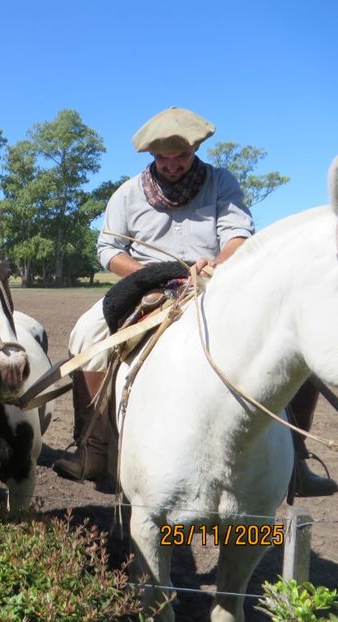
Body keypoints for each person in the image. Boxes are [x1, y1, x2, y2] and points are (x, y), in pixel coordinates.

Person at [52, 106, 337, 498]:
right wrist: (143, 272)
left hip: (215, 284)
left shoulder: (221, 183)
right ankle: (93, 450)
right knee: (86, 334)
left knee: (291, 339)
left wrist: (216, 264)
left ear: (195, 150)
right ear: (151, 156)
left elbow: (238, 235)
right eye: (162, 159)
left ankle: (296, 459)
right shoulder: (128, 194)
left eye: (180, 157)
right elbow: (108, 249)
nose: (171, 166)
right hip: (145, 286)